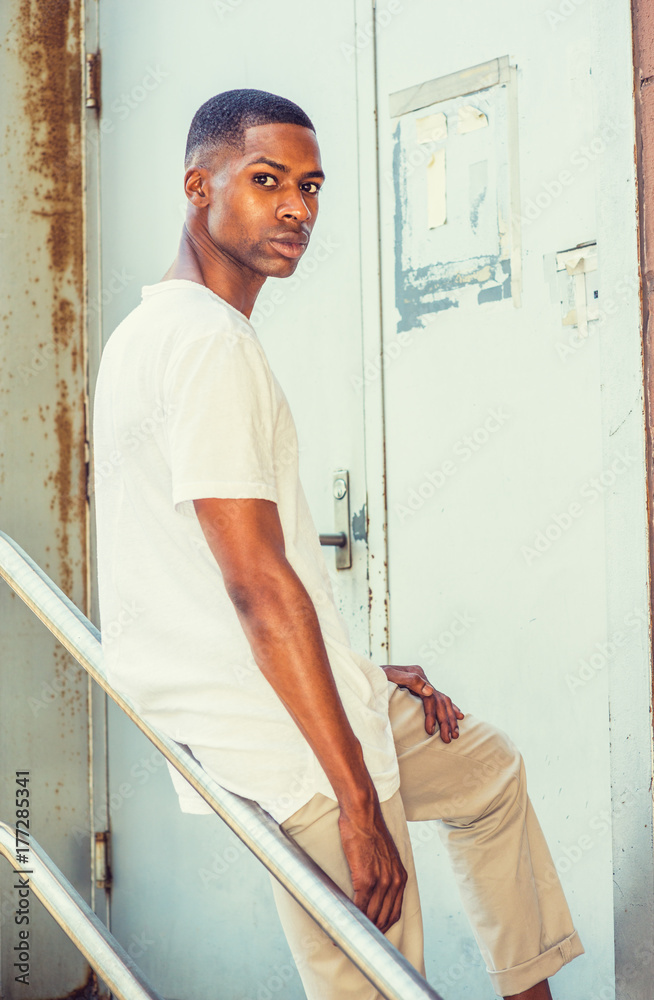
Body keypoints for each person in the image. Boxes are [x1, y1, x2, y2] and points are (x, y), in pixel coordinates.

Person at [92, 88, 584, 999]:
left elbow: (224, 569)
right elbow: (254, 587)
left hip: (280, 688)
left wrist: (355, 670)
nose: (297, 208)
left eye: (312, 187)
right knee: (376, 977)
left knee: (486, 769)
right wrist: (359, 801)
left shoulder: (151, 331)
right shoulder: (205, 343)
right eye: (267, 180)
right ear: (198, 186)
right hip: (277, 735)